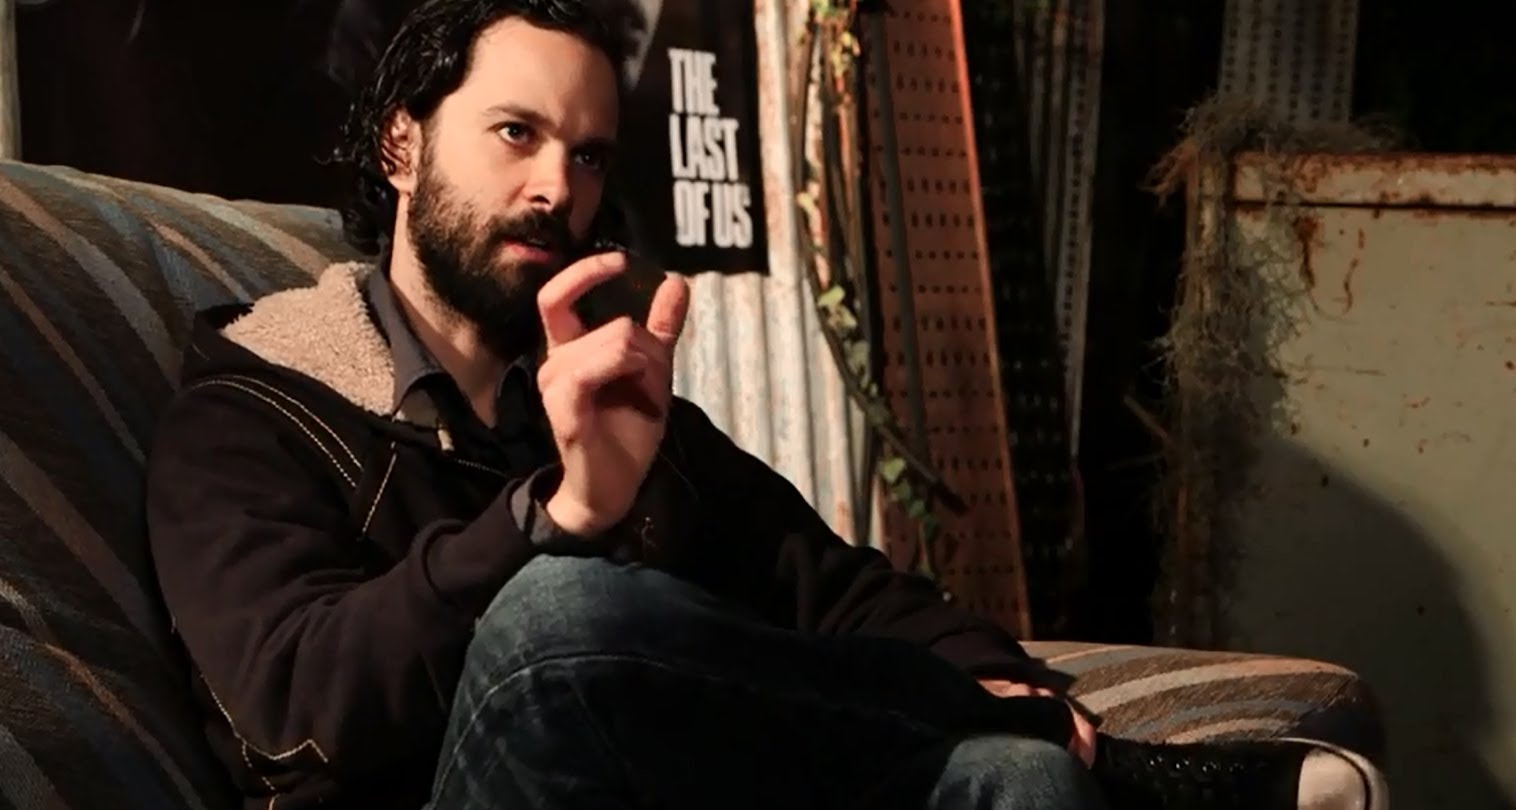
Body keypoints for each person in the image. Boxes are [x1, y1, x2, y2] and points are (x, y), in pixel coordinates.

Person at [143, 1, 1387, 808]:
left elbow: (842, 589)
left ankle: (1081, 769)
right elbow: (291, 716)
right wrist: (557, 515)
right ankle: (1143, 783)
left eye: (583, 156)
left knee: (1011, 776)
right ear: (403, 146)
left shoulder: (595, 399)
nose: (552, 188)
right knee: (560, 613)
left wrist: (1028, 702)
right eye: (513, 134)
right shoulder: (257, 408)